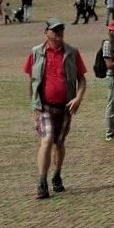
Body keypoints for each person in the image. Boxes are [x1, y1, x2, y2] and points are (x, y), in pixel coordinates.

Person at [23, 19, 87, 199]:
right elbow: (32, 81)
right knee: (47, 139)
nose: (59, 33)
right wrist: (34, 106)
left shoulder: (72, 52)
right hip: (44, 106)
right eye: (55, 30)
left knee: (59, 142)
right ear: (46, 32)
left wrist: (78, 98)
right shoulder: (36, 53)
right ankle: (42, 182)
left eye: (61, 30)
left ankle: (57, 174)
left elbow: (81, 79)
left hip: (65, 106)